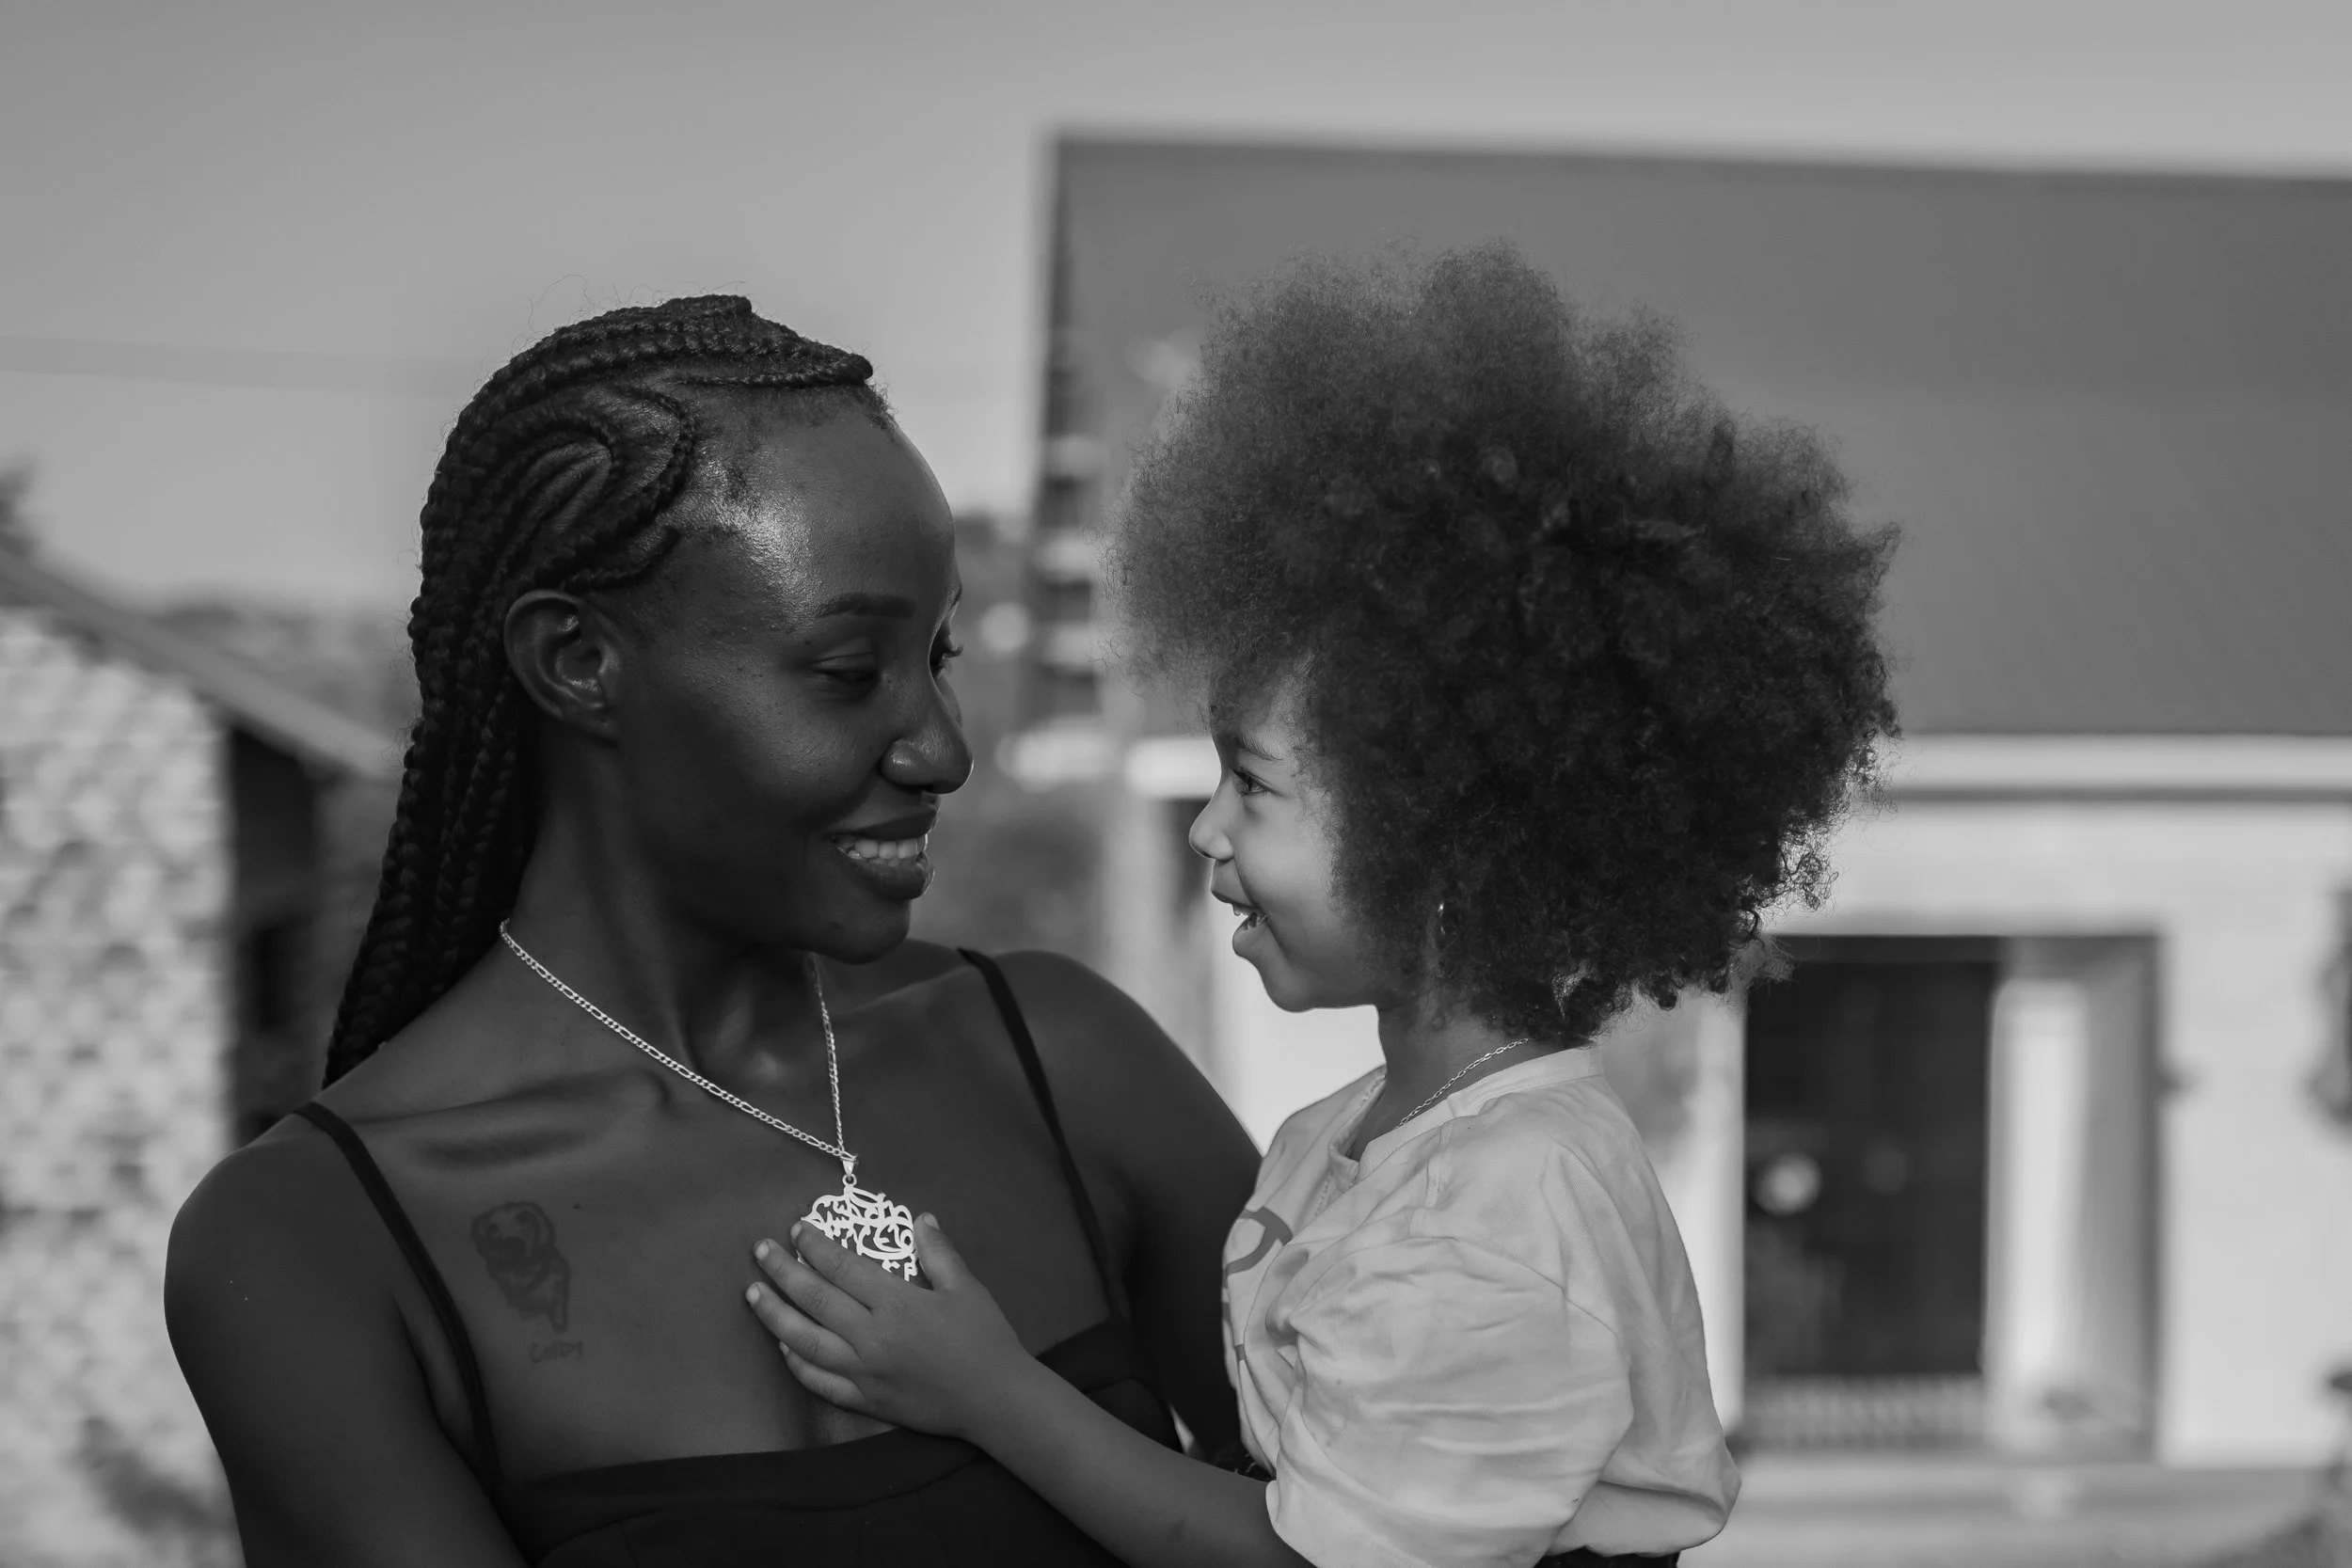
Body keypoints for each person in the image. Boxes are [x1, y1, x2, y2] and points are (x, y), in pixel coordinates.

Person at [741, 244, 1899, 1568]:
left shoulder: (1506, 1212)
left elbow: (1296, 1558)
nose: (1205, 828)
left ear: (1440, 846)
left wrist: (988, 1390)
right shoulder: (1348, 1139)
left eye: (1254, 784)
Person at [164, 295, 1262, 1567]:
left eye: (939, 656)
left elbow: (1398, 1517)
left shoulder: (1059, 1066)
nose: (944, 749)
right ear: (577, 661)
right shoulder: (321, 1248)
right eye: (848, 672)